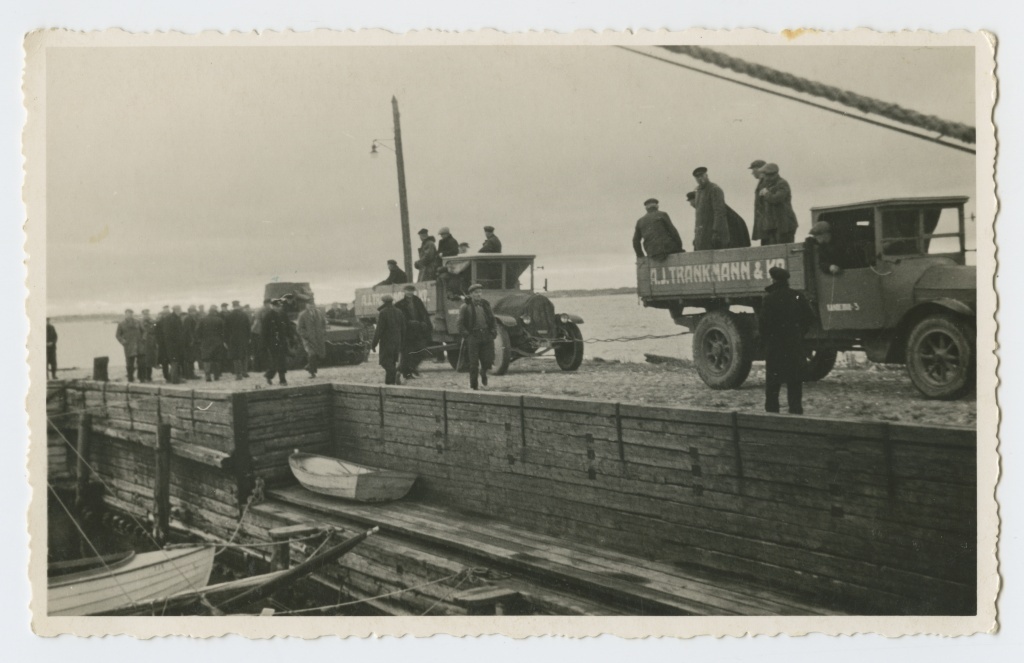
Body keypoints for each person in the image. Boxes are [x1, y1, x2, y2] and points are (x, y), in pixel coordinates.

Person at [759, 266, 815, 415]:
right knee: (795, 381)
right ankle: (796, 414)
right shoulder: (797, 296)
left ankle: (772, 414)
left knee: (773, 383)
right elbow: (810, 317)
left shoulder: (768, 299)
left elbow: (763, 326)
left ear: (773, 280)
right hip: (794, 345)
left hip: (775, 348)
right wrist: (799, 333)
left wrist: (768, 340)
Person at [457, 283, 497, 391]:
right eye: (476, 293)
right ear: (470, 294)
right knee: (473, 363)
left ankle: (483, 376)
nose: (478, 294)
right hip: (473, 337)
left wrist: (493, 331)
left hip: (486, 336)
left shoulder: (485, 305)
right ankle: (474, 386)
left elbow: (492, 319)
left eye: (480, 292)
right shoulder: (465, 306)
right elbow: (460, 324)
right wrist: (467, 335)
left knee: (487, 361)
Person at [395, 284, 431, 379]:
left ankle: (410, 368)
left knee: (422, 351)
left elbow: (424, 314)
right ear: (404, 291)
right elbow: (398, 319)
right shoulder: (399, 304)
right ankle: (406, 374)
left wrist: (424, 323)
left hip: (419, 331)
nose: (409, 292)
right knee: (406, 354)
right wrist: (408, 322)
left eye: (411, 291)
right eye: (407, 291)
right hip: (407, 333)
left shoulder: (418, 301)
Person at [757, 163, 799, 244]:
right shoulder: (769, 185)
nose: (764, 177)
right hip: (774, 226)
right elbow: (762, 205)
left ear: (771, 175)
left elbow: (776, 199)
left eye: (765, 175)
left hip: (785, 226)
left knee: (784, 251)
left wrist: (766, 194)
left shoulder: (782, 184)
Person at [691, 166, 731, 250]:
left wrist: (716, 232)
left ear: (707, 175)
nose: (700, 178)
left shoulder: (714, 189)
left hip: (712, 234)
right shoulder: (698, 192)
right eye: (697, 177)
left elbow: (719, 212)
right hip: (702, 235)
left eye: (702, 176)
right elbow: (699, 216)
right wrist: (696, 236)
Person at [371, 294, 405, 385]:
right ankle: (390, 385)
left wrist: (373, 344)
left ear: (383, 302)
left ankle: (396, 372)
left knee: (385, 362)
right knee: (392, 362)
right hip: (397, 342)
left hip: (387, 343)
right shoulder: (399, 312)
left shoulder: (383, 313)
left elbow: (379, 330)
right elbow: (403, 328)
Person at [262, 298, 292, 385]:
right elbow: (264, 331)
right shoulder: (268, 316)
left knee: (281, 360)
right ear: (272, 306)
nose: (278, 308)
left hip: (282, 341)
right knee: (277, 361)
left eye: (279, 306)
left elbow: (287, 326)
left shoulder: (282, 314)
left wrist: (290, 337)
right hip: (273, 342)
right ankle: (281, 379)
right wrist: (265, 344)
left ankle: (270, 376)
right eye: (276, 306)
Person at [296, 296, 328, 378]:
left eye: (312, 304)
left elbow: (324, 323)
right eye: (309, 304)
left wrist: (323, 331)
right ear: (306, 305)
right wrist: (306, 335)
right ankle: (312, 373)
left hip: (318, 338)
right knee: (312, 354)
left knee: (320, 355)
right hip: (308, 339)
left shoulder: (319, 313)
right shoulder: (302, 315)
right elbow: (299, 328)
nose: (311, 306)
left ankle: (309, 366)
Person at [156, 305, 185, 383]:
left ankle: (174, 378)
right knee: (174, 361)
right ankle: (175, 380)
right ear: (176, 310)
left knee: (174, 361)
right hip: (173, 344)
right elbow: (170, 333)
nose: (180, 311)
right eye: (179, 310)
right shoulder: (173, 319)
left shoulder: (172, 318)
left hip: (169, 344)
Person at [197, 304, 226, 382]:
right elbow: (223, 332)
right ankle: (216, 376)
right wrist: (222, 340)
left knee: (206, 359)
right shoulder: (219, 320)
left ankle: (207, 376)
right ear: (215, 312)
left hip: (205, 342)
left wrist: (200, 340)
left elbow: (198, 331)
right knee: (216, 359)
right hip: (217, 341)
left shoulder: (202, 320)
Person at [115, 309, 144, 382]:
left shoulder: (138, 322)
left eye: (131, 313)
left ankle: (141, 378)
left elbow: (143, 331)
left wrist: (143, 339)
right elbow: (118, 335)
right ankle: (130, 378)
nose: (129, 315)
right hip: (128, 346)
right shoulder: (121, 324)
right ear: (125, 314)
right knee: (129, 363)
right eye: (127, 314)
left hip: (138, 345)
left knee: (141, 362)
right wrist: (123, 342)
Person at [226, 300, 252, 380]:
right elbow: (248, 327)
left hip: (233, 338)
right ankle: (245, 372)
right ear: (238, 306)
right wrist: (249, 337)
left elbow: (226, 329)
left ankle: (238, 374)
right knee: (244, 355)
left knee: (236, 356)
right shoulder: (244, 315)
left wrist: (226, 340)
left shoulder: (229, 316)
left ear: (233, 306)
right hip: (243, 338)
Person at [747, 159, 768, 245]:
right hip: (765, 226)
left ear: (759, 169)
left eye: (753, 169)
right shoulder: (763, 182)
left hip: (767, 226)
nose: (752, 173)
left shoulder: (766, 182)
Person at [139, 309, 158, 383]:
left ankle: (149, 376)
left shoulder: (151, 321)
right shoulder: (141, 322)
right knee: (145, 360)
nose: (147, 315)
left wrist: (153, 323)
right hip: (145, 342)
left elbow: (155, 326)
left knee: (150, 360)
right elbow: (144, 329)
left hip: (151, 342)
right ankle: (145, 376)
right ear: (143, 314)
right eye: (145, 314)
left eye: (148, 314)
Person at [181, 306, 200, 379]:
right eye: (193, 311)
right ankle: (190, 374)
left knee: (190, 358)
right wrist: (191, 340)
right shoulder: (189, 319)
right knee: (190, 359)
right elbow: (188, 331)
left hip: (189, 341)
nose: (194, 313)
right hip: (189, 342)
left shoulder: (189, 318)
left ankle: (190, 374)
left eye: (195, 311)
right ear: (190, 312)